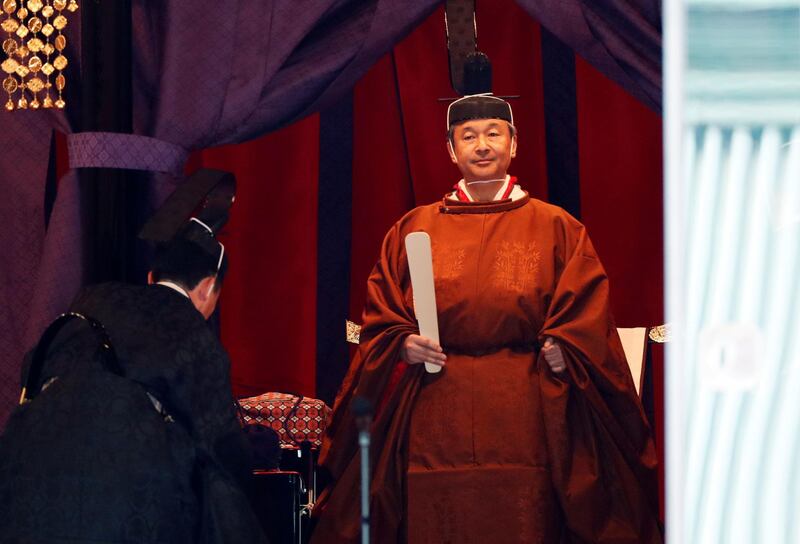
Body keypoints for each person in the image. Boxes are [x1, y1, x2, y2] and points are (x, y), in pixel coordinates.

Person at [311, 94, 662, 543]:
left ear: (513, 145)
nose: (482, 145)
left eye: (494, 134)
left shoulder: (556, 226)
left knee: (526, 511)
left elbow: (586, 308)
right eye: (469, 136)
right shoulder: (412, 228)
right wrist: (402, 342)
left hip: (524, 400)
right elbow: (382, 311)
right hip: (436, 403)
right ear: (451, 150)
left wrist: (566, 345)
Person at [0, 180, 268, 543]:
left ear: (150, 277)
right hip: (128, 495)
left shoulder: (91, 299)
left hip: (31, 475)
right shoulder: (193, 333)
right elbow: (220, 444)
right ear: (208, 288)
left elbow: (34, 367)